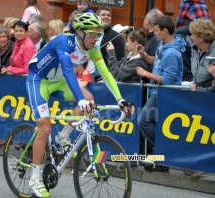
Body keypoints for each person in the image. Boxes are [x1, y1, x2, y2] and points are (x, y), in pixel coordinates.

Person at [26, 13, 134, 197]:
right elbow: (68, 71)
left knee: (89, 97)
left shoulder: (93, 48)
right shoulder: (63, 43)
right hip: (39, 81)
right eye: (93, 34)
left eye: (99, 34)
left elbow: (106, 74)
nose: (96, 38)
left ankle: (63, 137)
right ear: (80, 32)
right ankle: (35, 178)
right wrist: (79, 98)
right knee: (44, 130)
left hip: (58, 80)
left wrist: (120, 99)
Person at [136, 16, 186, 172]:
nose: (154, 33)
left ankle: (162, 150)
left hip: (163, 93)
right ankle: (159, 156)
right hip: (156, 92)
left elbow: (168, 79)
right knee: (154, 124)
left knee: (142, 121)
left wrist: (145, 73)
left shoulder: (172, 53)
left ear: (165, 31)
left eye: (156, 30)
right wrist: (144, 55)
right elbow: (155, 62)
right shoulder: (162, 45)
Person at [95, 6, 126, 81]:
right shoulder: (90, 33)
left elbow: (120, 60)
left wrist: (109, 74)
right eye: (103, 15)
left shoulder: (116, 37)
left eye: (108, 15)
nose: (106, 17)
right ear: (97, 17)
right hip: (89, 77)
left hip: (105, 79)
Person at [188, 19, 215, 89]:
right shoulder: (194, 48)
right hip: (197, 92)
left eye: (193, 34)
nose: (190, 37)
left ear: (201, 38)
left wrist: (198, 89)